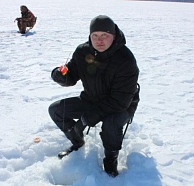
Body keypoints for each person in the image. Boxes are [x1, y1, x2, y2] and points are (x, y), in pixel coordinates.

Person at [48, 15, 139, 177]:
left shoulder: (126, 60)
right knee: (55, 110)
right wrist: (60, 76)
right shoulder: (83, 51)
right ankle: (77, 141)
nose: (100, 40)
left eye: (105, 35)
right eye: (95, 36)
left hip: (121, 106)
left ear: (114, 35)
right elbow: (71, 74)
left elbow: (120, 101)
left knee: (111, 124)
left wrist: (87, 118)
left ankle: (110, 159)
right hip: (91, 99)